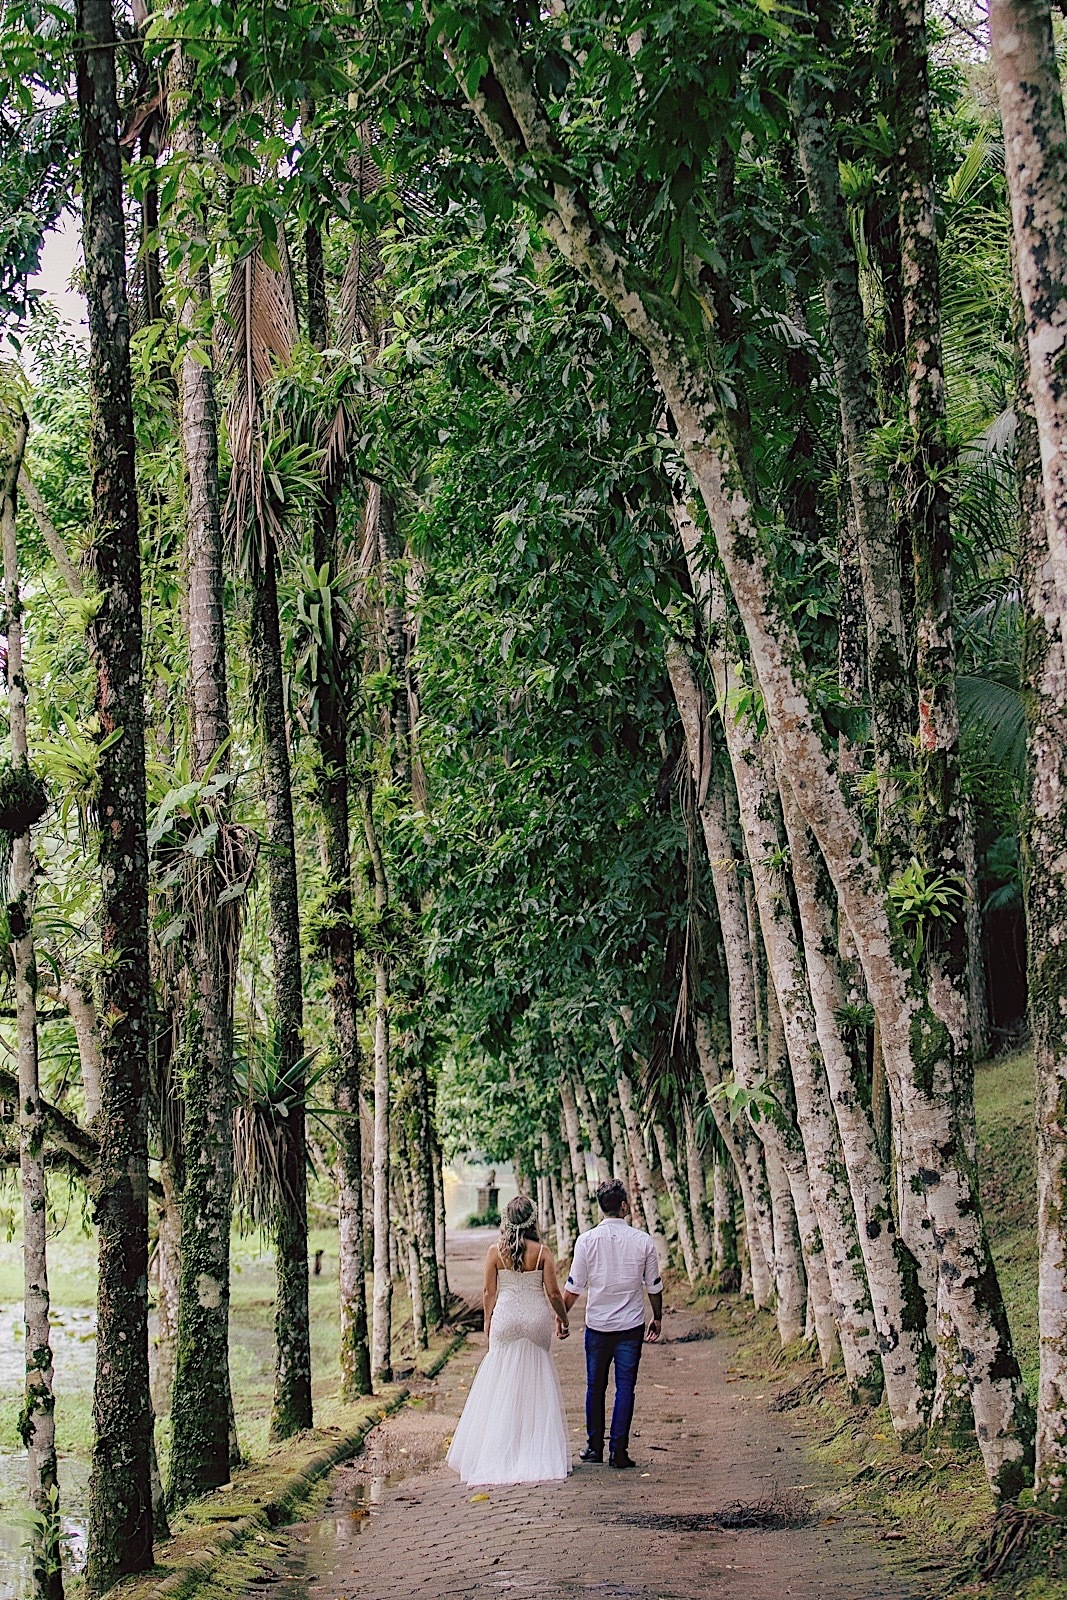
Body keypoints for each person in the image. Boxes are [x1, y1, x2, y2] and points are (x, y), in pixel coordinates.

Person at [446, 1193, 572, 1485]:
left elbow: (489, 1293)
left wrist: (489, 1320)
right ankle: (533, 1448)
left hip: (506, 1318)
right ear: (532, 1220)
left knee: (501, 1380)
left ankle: (499, 1450)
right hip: (535, 1320)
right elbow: (553, 1294)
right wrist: (563, 1319)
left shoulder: (494, 1252)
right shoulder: (543, 1253)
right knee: (535, 1380)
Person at [563, 1178, 663, 1470]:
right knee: (625, 1388)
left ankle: (594, 1447)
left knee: (595, 1387)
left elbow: (574, 1288)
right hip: (630, 1326)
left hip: (597, 1326)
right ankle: (618, 1451)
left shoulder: (586, 1241)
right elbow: (654, 1287)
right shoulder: (643, 1240)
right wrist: (657, 1317)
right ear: (623, 1206)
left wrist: (561, 1316)